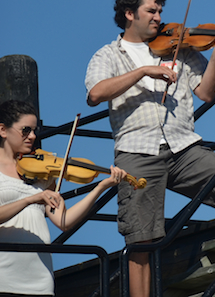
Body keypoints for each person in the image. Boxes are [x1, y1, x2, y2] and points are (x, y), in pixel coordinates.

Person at [85, 0, 215, 297]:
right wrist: (143, 71)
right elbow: (95, 94)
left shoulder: (180, 47)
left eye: (161, 10)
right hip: (137, 152)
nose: (159, 17)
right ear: (129, 13)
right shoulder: (108, 54)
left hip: (183, 146)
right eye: (152, 10)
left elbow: (206, 91)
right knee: (142, 241)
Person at [1, 99, 126, 296]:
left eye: (34, 130)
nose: (32, 136)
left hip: (39, 279)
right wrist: (30, 199)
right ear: (3, 130)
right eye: (25, 130)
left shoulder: (41, 175)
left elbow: (64, 221)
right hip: (4, 277)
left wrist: (100, 187)